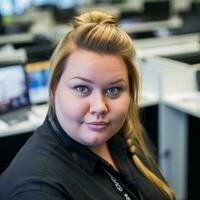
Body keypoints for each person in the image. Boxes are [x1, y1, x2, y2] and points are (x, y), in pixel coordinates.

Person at [0, 10, 175, 200]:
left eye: (113, 90)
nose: (99, 107)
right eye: (82, 88)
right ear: (53, 89)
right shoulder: (37, 191)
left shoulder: (125, 133)